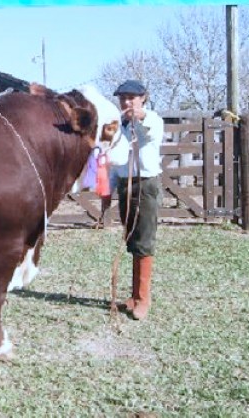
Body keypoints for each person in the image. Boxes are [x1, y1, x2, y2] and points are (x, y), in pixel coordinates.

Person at [107, 80, 164, 320]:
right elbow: (115, 160)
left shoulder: (153, 120)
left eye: (132, 98)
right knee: (131, 237)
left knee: (144, 240)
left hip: (145, 185)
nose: (127, 102)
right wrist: (108, 189)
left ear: (143, 98)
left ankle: (143, 298)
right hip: (125, 184)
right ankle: (133, 296)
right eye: (123, 98)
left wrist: (139, 118)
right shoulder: (118, 125)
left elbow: (149, 133)